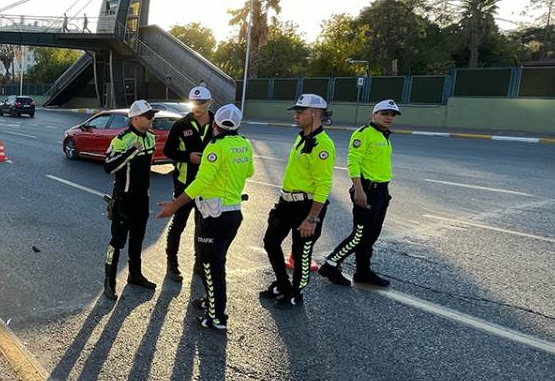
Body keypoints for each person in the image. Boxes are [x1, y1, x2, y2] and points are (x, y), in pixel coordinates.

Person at [157, 104, 253, 331]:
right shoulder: (244, 144)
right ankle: (212, 303)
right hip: (233, 213)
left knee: (210, 265)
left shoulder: (215, 147)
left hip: (213, 216)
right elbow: (249, 172)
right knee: (217, 262)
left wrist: (174, 205)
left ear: (215, 125)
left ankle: (216, 317)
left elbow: (200, 182)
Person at [260, 94, 335, 308]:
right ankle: (283, 285)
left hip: (307, 207)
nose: (296, 115)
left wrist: (312, 219)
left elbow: (323, 185)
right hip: (286, 203)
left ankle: (296, 293)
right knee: (270, 241)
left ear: (315, 113)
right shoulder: (302, 136)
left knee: (302, 253)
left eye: (300, 112)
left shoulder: (323, 145)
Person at [318, 99, 400, 288]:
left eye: (392, 115)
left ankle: (363, 272)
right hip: (367, 190)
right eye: (385, 114)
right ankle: (331, 264)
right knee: (360, 235)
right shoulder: (363, 134)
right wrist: (359, 189)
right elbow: (353, 162)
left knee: (371, 235)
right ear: (374, 114)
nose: (389, 118)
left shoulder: (384, 135)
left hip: (381, 191)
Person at [102, 99, 159, 299]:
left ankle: (135, 275)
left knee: (137, 240)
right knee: (116, 242)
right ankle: (108, 280)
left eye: (152, 115)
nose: (153, 118)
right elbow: (108, 166)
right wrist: (131, 151)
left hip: (142, 199)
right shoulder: (121, 139)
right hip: (123, 199)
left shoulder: (151, 137)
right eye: (148, 116)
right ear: (135, 118)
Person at [162, 86, 215, 282]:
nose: (197, 106)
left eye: (201, 103)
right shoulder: (180, 124)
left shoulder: (218, 123)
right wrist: (188, 157)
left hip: (208, 186)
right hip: (184, 184)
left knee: (202, 227)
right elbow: (168, 151)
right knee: (178, 225)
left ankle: (199, 263)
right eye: (194, 102)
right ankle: (172, 265)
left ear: (210, 102)